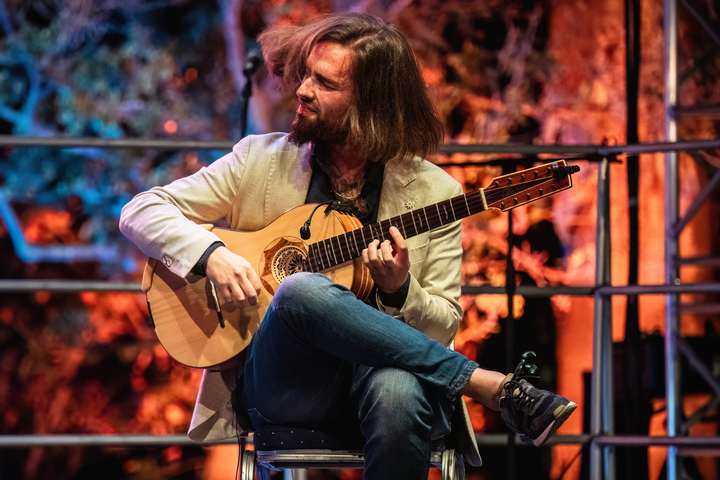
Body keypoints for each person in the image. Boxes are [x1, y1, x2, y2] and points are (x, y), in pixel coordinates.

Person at [120, 13, 576, 479]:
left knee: (399, 390)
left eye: (324, 83)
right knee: (299, 289)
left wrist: (401, 291)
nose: (301, 90)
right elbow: (141, 211)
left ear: (369, 105)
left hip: (379, 379)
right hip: (285, 382)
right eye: (306, 75)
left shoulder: (435, 194)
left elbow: (442, 325)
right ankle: (484, 384)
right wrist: (212, 256)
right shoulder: (259, 160)